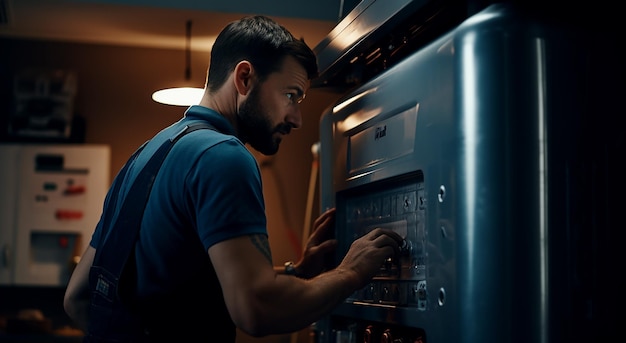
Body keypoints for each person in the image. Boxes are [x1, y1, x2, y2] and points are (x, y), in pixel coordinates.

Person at [63, 15, 403, 342]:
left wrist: (298, 274)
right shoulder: (223, 156)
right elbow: (255, 309)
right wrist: (351, 273)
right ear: (244, 78)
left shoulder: (145, 154)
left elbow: (78, 298)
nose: (297, 118)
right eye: (291, 95)